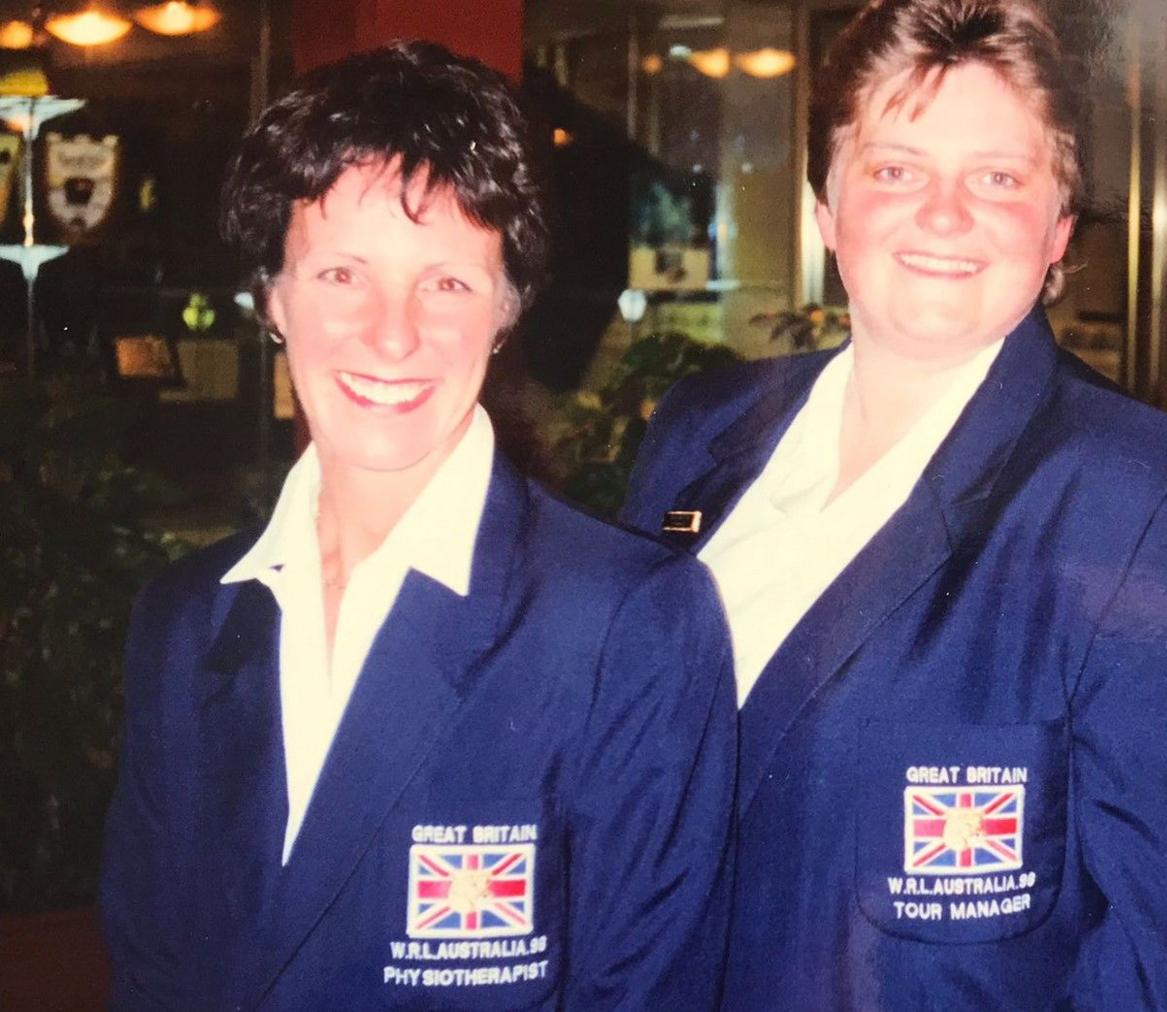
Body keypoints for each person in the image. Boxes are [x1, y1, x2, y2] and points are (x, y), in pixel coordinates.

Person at [621, 0, 1167, 1007]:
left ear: (1059, 228)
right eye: (896, 169)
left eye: (998, 178)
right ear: (824, 209)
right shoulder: (699, 434)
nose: (944, 215)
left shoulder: (1156, 504)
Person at [101, 41, 735, 1010]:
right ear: (272, 298)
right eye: (341, 275)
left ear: (506, 310)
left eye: (446, 282)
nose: (392, 335)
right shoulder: (186, 621)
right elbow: (153, 974)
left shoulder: (629, 622)